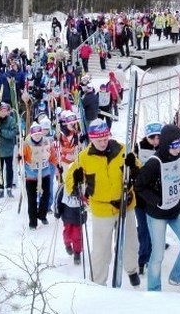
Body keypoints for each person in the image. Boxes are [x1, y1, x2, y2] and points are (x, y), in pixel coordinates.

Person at [64, 118, 141, 287]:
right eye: (98, 140)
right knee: (101, 250)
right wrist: (75, 182)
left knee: (130, 243)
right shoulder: (84, 157)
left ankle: (132, 270)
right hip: (102, 208)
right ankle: (98, 282)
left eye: (105, 139)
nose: (102, 143)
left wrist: (134, 168)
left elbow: (138, 169)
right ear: (91, 139)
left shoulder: (122, 149)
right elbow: (69, 178)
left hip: (125, 205)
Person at [135, 124, 180, 291]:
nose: (178, 149)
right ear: (166, 144)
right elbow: (139, 186)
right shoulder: (154, 163)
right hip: (157, 214)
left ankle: (177, 276)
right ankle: (153, 289)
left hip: (175, 209)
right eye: (174, 146)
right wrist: (156, 201)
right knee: (158, 254)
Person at [133, 121, 163, 275]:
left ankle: (153, 249)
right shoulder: (138, 147)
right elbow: (131, 169)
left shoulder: (164, 148)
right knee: (144, 228)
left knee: (154, 227)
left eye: (159, 137)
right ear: (147, 136)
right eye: (153, 137)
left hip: (156, 195)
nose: (156, 141)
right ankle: (143, 258)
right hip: (140, 196)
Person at [22, 122, 58, 229]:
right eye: (35, 135)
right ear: (32, 135)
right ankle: (32, 222)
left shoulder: (46, 142)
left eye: (39, 134)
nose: (37, 137)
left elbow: (52, 156)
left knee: (46, 195)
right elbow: (21, 156)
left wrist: (57, 165)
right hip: (31, 175)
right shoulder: (26, 144)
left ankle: (42, 215)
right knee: (32, 199)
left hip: (45, 172)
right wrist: (20, 161)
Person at [53, 176, 87, 265]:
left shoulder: (83, 186)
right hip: (67, 216)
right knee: (67, 234)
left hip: (78, 216)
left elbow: (89, 199)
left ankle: (77, 253)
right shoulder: (63, 187)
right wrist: (57, 211)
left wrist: (85, 209)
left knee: (77, 236)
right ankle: (67, 245)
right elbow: (57, 199)